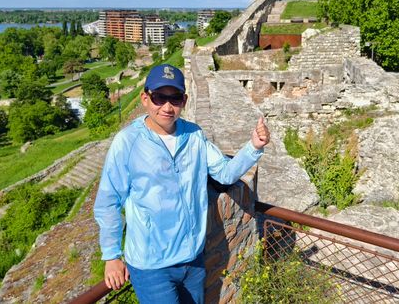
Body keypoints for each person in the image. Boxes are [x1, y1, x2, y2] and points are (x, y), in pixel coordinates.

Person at [94, 64, 270, 303]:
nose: (167, 106)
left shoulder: (194, 135)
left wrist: (254, 147)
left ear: (184, 100)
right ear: (145, 98)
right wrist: (112, 255)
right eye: (159, 97)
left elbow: (225, 174)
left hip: (192, 260)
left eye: (175, 98)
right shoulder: (127, 142)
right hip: (151, 266)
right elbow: (108, 202)